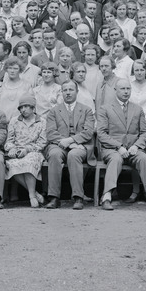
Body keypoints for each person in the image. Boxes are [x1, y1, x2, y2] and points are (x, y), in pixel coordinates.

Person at [96, 77, 146, 212]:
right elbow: (101, 134)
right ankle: (106, 196)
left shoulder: (137, 109)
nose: (126, 92)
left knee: (144, 158)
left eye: (128, 88)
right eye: (123, 89)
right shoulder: (105, 109)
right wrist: (118, 147)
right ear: (115, 90)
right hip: (112, 150)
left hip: (132, 149)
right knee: (116, 159)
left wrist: (136, 146)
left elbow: (144, 133)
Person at [44, 80, 96, 210]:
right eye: (65, 90)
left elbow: (88, 132)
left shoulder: (86, 110)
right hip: (59, 145)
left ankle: (78, 197)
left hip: (81, 146)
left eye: (71, 90)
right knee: (54, 154)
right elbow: (50, 133)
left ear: (77, 92)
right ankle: (54, 197)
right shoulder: (54, 111)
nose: (68, 93)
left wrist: (71, 140)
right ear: (61, 92)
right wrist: (68, 143)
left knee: (74, 155)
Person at [4, 94, 47, 207]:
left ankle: (31, 196)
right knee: (12, 164)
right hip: (17, 152)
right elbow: (9, 140)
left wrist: (27, 150)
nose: (23, 110)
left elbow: (42, 142)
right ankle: (34, 194)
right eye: (21, 107)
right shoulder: (14, 121)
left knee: (29, 162)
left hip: (34, 152)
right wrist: (12, 149)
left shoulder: (41, 121)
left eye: (27, 106)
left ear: (33, 108)